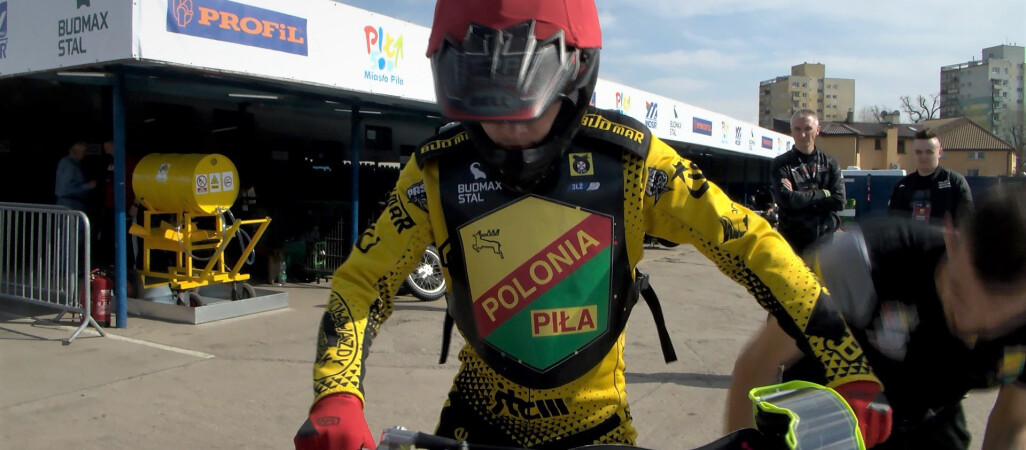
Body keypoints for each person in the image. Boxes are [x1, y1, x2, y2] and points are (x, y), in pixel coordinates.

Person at [294, 2, 889, 449]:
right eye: (482, 100)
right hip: (473, 424)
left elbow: (751, 244)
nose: (505, 126)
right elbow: (363, 282)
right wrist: (336, 395)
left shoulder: (633, 163)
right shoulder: (434, 171)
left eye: (523, 100)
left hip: (598, 431)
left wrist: (848, 367)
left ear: (575, 74)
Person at [725, 184, 1026, 449]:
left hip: (926, 422)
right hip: (829, 417)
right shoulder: (860, 264)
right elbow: (758, 363)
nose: (969, 323)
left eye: (996, 321)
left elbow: (1010, 424)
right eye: (958, 294)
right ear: (952, 238)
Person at [770, 110, 845, 254]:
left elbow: (839, 201)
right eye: (797, 129)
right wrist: (823, 193)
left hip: (824, 244)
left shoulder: (830, 163)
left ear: (817, 130)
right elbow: (786, 200)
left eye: (807, 129)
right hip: (791, 245)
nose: (803, 135)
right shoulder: (781, 164)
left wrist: (799, 197)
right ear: (791, 131)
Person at [888, 128, 973, 227]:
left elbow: (967, 222)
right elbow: (892, 223)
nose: (923, 157)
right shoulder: (902, 187)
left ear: (940, 152)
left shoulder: (955, 183)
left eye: (929, 152)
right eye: (918, 152)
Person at [54, 141, 97, 212]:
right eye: (84, 151)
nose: (85, 154)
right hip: (70, 205)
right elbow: (66, 188)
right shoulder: (69, 164)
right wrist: (88, 186)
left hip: (72, 204)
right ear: (76, 152)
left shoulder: (73, 163)